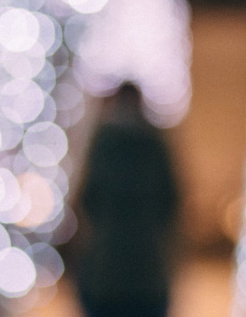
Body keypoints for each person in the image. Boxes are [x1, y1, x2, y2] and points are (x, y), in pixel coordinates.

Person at [72, 82, 180, 317]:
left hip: (108, 272)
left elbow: (87, 199)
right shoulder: (153, 144)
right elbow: (171, 200)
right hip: (145, 272)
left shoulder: (103, 144)